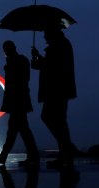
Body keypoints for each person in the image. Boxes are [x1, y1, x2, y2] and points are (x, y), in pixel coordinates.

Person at [31, 28, 77, 167]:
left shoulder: (57, 47)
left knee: (51, 117)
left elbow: (51, 67)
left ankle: (66, 150)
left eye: (46, 35)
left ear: (52, 35)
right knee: (59, 120)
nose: (44, 38)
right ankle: (66, 152)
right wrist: (39, 57)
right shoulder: (62, 44)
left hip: (56, 89)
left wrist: (38, 59)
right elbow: (52, 65)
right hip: (61, 89)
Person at [0, 40, 40, 165]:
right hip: (19, 100)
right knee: (21, 130)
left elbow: (21, 79)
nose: (5, 52)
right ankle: (30, 156)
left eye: (6, 49)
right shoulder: (19, 61)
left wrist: (9, 67)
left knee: (16, 130)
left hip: (17, 100)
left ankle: (5, 156)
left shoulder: (19, 61)